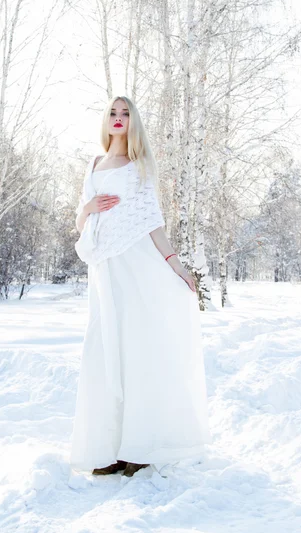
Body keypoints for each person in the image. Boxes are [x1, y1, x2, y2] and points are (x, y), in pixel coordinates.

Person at [70, 95, 211, 478]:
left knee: (136, 351)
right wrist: (88, 209)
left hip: (137, 266)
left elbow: (153, 223)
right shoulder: (94, 164)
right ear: (105, 119)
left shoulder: (140, 166)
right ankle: (108, 448)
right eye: (112, 113)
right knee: (103, 351)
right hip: (104, 269)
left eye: (125, 113)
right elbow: (82, 222)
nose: (118, 118)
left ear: (133, 121)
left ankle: (139, 447)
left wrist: (176, 266)